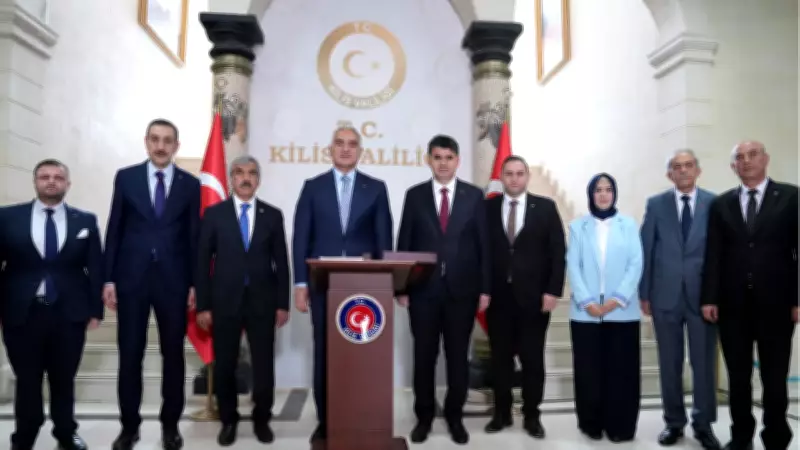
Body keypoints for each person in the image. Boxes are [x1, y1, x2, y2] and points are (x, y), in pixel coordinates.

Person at [291, 125, 393, 442]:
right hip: (323, 286)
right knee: (325, 353)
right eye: (339, 143)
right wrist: (300, 283)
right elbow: (301, 238)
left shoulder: (376, 188)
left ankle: (361, 414)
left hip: (367, 289)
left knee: (364, 354)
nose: (346, 149)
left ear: (360, 151)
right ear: (330, 149)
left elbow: (384, 240)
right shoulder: (313, 187)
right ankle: (326, 420)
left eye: (352, 144)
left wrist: (388, 281)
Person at [104, 119, 201, 450]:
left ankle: (170, 427)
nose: (161, 146)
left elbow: (194, 236)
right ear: (146, 142)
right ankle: (129, 428)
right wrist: (108, 278)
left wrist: (195, 283)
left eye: (167, 141)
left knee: (173, 355)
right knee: (130, 355)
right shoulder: (126, 177)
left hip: (174, 282)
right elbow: (114, 228)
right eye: (155, 139)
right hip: (131, 279)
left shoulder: (190, 184)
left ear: (176, 146)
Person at [0, 159, 103, 450]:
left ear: (67, 184)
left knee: (64, 378)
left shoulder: (85, 221)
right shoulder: (7, 217)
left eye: (58, 177)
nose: (51, 181)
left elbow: (96, 268)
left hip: (69, 314)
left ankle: (65, 432)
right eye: (44, 176)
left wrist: (96, 310)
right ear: (35, 182)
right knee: (27, 379)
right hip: (22, 312)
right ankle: (24, 435)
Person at [701, 141, 798, 450]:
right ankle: (741, 437)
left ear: (765, 159)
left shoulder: (791, 197)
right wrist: (709, 298)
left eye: (752, 155)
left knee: (774, 377)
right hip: (732, 307)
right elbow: (713, 254)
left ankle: (776, 437)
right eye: (739, 158)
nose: (746, 161)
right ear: (733, 167)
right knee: (738, 377)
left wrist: (798, 299)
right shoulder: (721, 204)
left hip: (777, 305)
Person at [396, 134, 490, 445]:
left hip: (462, 293)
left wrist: (485, 289)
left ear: (457, 161)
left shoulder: (474, 196)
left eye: (449, 158)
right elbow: (404, 243)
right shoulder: (415, 196)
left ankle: (454, 416)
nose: (443, 163)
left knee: (457, 358)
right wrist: (401, 287)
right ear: (429, 160)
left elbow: (484, 246)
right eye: (437, 157)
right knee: (424, 357)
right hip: (423, 291)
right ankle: (424, 417)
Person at [195, 155, 290, 446]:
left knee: (263, 365)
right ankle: (228, 420)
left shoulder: (272, 215)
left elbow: (281, 263)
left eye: (251, 173)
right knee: (225, 364)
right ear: (231, 179)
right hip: (224, 301)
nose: (245, 178)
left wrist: (282, 303)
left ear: (258, 179)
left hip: (263, 302)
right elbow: (202, 262)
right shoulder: (215, 214)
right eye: (239, 173)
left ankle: (262, 419)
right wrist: (203, 305)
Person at [639, 149, 720, 449]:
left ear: (698, 170)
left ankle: (703, 424)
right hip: (664, 296)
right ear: (669, 173)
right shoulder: (656, 204)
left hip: (704, 299)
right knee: (669, 363)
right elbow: (646, 248)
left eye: (688, 165)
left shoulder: (714, 203)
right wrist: (644, 293)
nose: (683, 170)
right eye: (677, 166)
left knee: (704, 363)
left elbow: (720, 254)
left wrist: (717, 295)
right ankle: (673, 422)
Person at [483, 155, 565, 438]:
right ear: (502, 177)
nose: (514, 179)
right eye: (509, 174)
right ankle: (502, 413)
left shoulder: (545, 207)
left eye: (520, 173)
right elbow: (481, 252)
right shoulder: (487, 208)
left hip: (534, 299)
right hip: (498, 299)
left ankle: (532, 415)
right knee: (500, 360)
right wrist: (482, 289)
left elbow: (558, 252)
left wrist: (553, 290)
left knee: (532, 360)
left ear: (527, 177)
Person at [566, 173, 643, 443]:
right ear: (591, 194)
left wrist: (615, 300)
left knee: (622, 371)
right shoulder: (578, 227)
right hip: (585, 312)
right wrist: (588, 301)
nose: (603, 194)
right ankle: (591, 424)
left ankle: (620, 426)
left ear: (614, 193)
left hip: (621, 311)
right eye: (598, 190)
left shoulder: (628, 225)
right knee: (588, 371)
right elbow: (573, 265)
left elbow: (636, 263)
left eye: (608, 189)